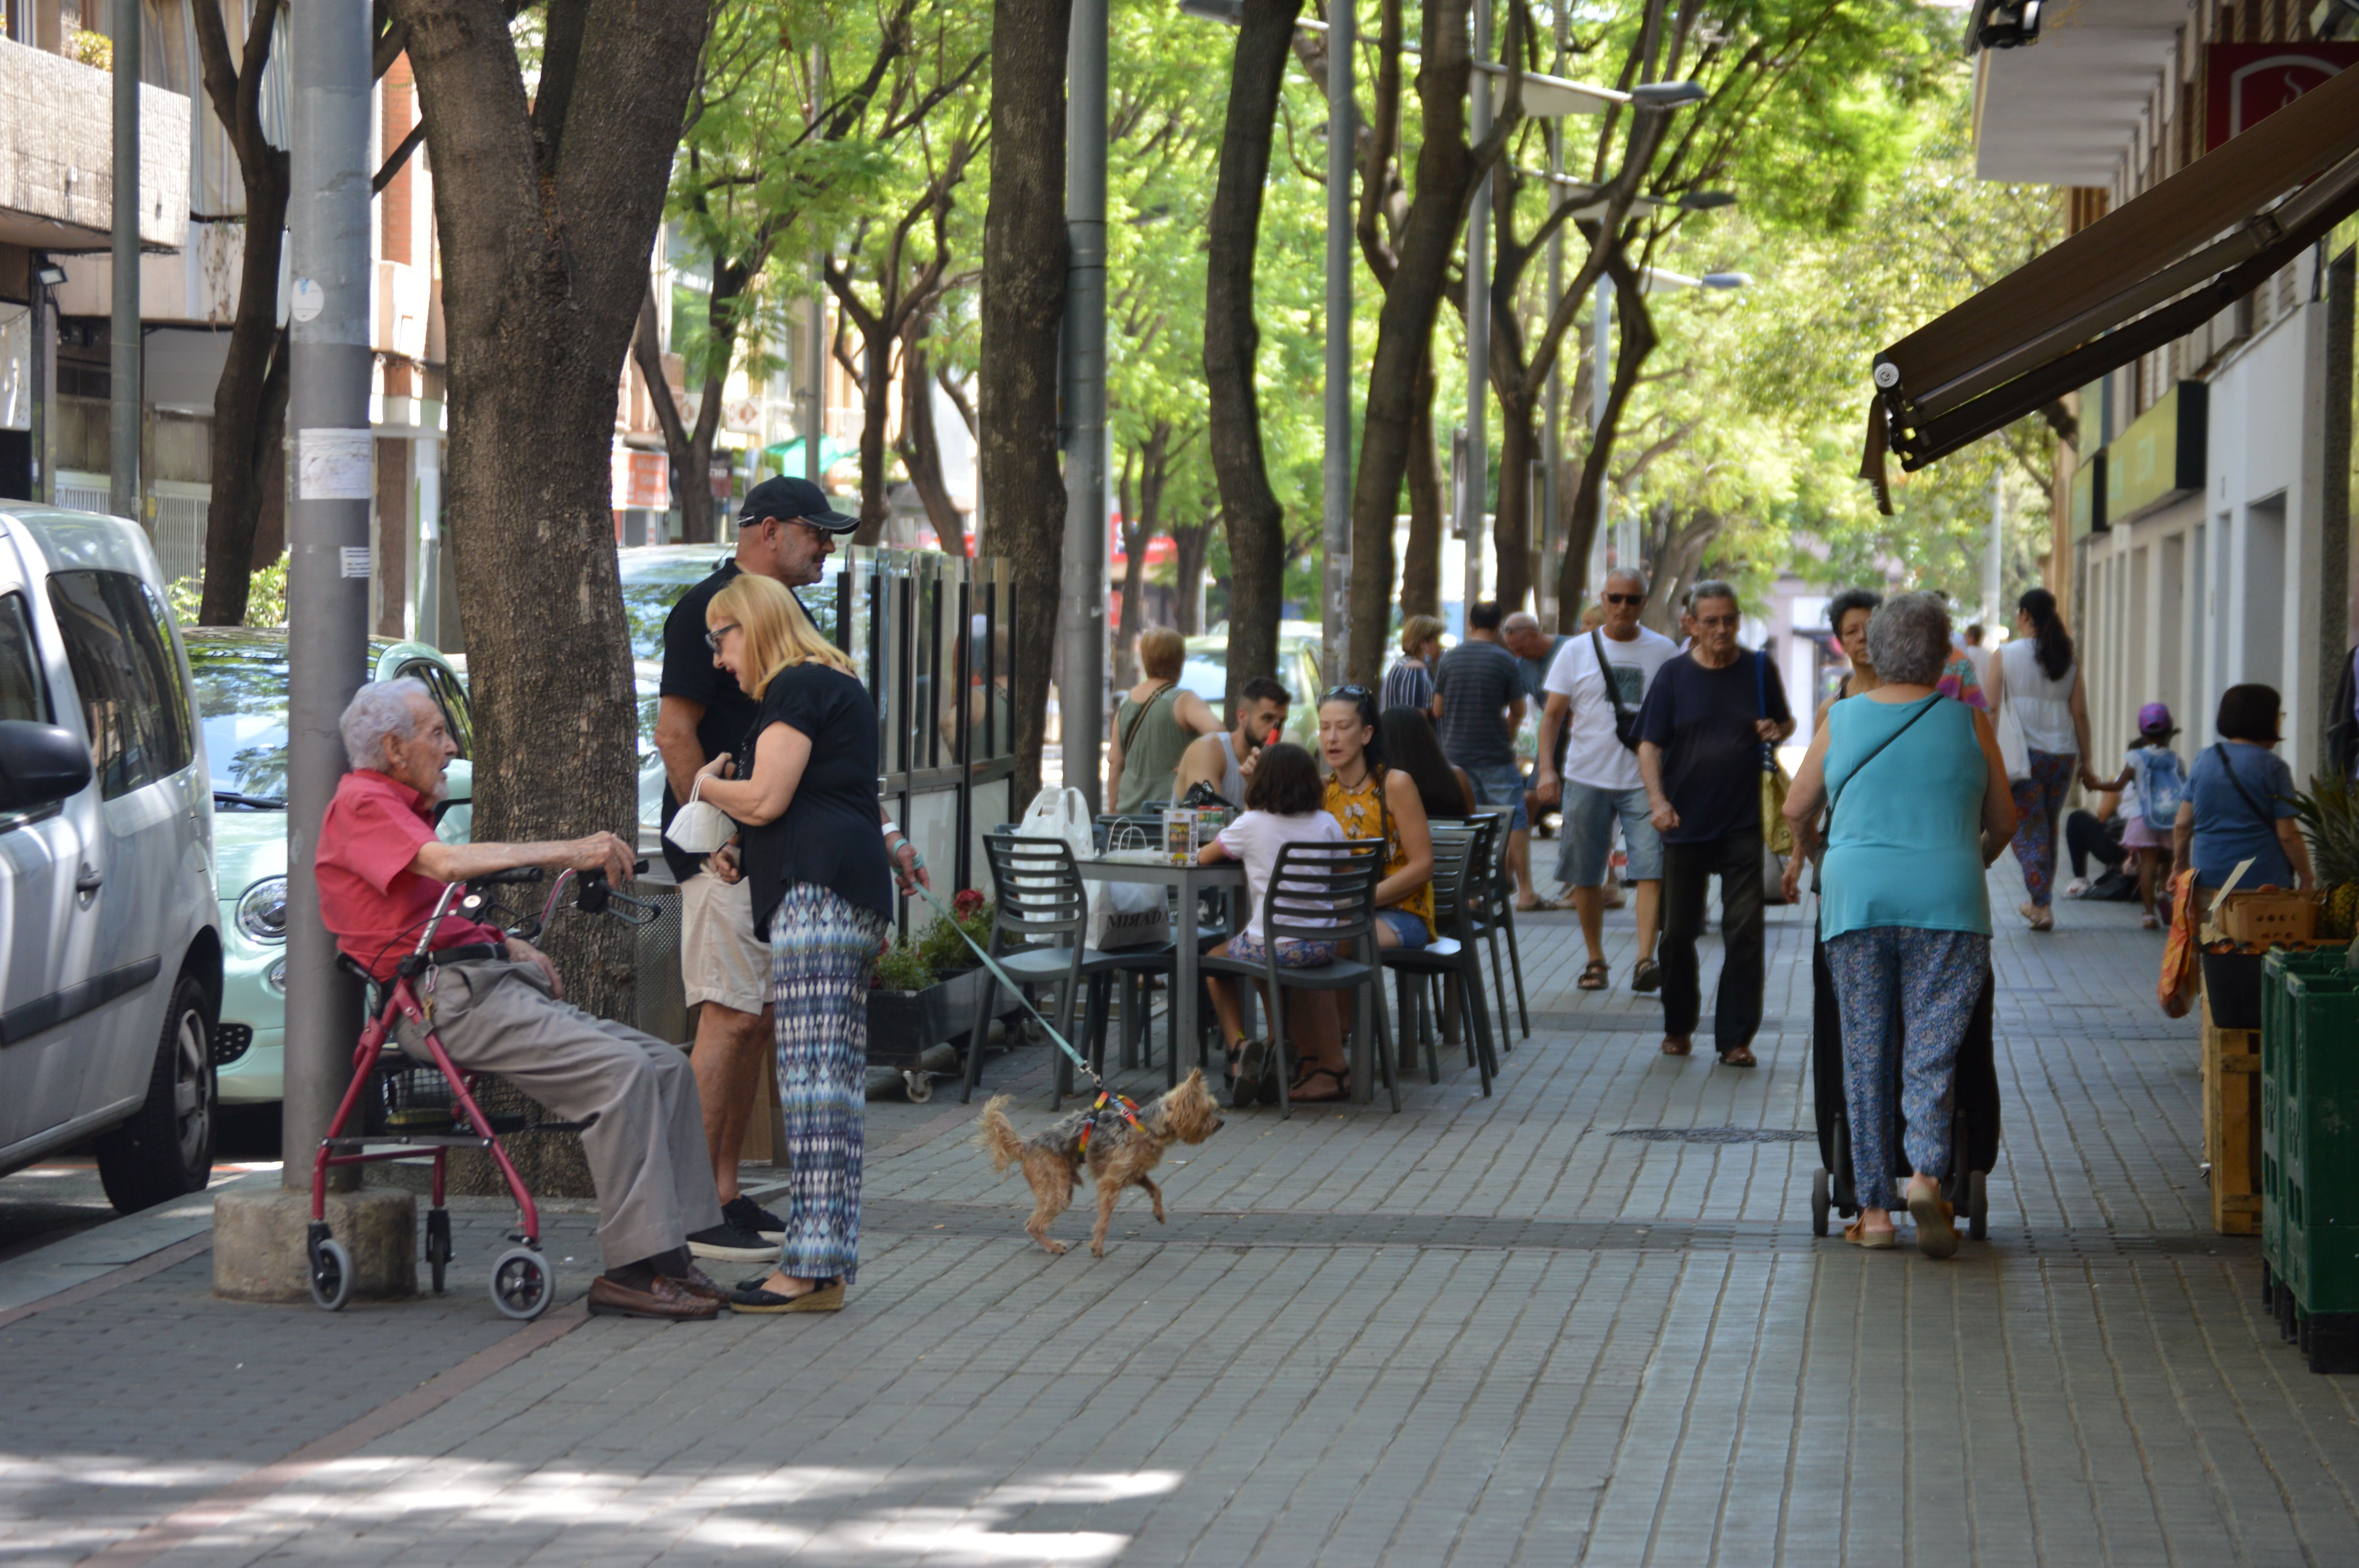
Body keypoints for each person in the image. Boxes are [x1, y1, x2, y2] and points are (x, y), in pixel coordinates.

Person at [318, 679, 727, 1321]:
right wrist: (573, 849)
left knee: (666, 1067)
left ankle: (673, 1253)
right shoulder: (364, 803)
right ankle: (630, 1270)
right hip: (443, 1003)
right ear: (394, 749)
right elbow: (447, 866)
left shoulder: (394, 803)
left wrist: (503, 943)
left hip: (476, 984)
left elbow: (423, 909)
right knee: (621, 1076)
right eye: (436, 734)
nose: (450, 747)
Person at [652, 474, 887, 1264]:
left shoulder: (786, 634)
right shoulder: (712, 609)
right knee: (728, 1014)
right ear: (769, 530)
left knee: (755, 1019)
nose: (826, 545)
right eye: (816, 531)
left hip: (768, 845)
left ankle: (721, 1190)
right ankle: (688, 1202)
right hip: (723, 849)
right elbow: (675, 731)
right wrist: (710, 827)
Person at [692, 574, 921, 1313]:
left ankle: (811, 1269)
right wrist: (744, 847)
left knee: (815, 1087)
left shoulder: (795, 686)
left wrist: (705, 790)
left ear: (753, 625)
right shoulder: (827, 683)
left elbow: (767, 796)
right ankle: (820, 1267)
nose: (720, 660)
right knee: (827, 1087)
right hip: (836, 892)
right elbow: (816, 799)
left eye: (720, 639)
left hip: (820, 898)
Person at [1779, 592, 2017, 1257]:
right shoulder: (1970, 725)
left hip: (1858, 902)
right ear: (1944, 655)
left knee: (1865, 1050)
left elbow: (1798, 806)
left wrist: (1828, 855)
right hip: (1950, 902)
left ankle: (1875, 1212)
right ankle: (1927, 1178)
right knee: (1931, 1051)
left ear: (1875, 652)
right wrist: (1967, 860)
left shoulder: (1844, 717)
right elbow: (2004, 823)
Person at [1635, 580, 1794, 1067]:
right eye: (1711, 621)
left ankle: (1734, 1038)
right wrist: (1657, 801)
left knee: (1744, 931)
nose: (1723, 629)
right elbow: (1648, 745)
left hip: (1743, 822)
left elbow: (1784, 723)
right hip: (1683, 822)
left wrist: (1776, 730)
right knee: (1679, 932)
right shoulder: (1672, 676)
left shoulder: (1758, 668)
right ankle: (1678, 1025)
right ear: (1691, 625)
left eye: (1730, 619)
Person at [1532, 567, 1679, 994]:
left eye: (1632, 600)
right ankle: (1595, 958)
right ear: (1603, 598)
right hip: (1586, 777)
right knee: (1586, 873)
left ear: (1644, 603)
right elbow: (1552, 717)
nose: (1622, 607)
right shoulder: (1576, 651)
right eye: (1615, 598)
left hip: (1644, 782)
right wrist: (1546, 770)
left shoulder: (1664, 651)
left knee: (1650, 871)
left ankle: (1644, 959)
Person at [1200, 742, 1350, 1107]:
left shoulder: (1250, 824)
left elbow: (1205, 857)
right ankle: (1287, 1050)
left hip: (1273, 947)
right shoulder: (1328, 823)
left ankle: (1239, 1047)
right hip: (1321, 945)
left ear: (1261, 782)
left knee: (1215, 961)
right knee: (1262, 960)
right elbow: (1344, 872)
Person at [1987, 588, 2103, 930]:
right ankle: (2041, 901)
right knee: (2047, 827)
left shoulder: (2006, 655)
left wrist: (1988, 755)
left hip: (2024, 756)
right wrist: (2088, 761)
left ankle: (2041, 904)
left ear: (2024, 615)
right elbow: (2079, 713)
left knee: (2027, 828)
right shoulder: (2067, 657)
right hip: (2062, 755)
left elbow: (1992, 709)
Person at [1434, 601, 1548, 909]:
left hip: (1456, 753)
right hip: (1495, 754)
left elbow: (1437, 709)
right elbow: (1519, 709)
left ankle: (1471, 893)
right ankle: (1526, 891)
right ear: (1499, 627)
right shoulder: (1505, 660)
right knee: (1514, 818)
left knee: (1467, 820)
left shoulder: (1449, 659)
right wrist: (1507, 734)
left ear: (1471, 624)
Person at [1319, 686, 1436, 967]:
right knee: (1295, 946)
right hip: (1341, 913)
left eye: (1343, 727)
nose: (1332, 738)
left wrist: (1358, 901)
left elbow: (1423, 866)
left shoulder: (1395, 784)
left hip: (1402, 914)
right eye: (1324, 728)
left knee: (1325, 947)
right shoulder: (1320, 789)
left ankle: (1355, 1015)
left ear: (1366, 734)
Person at [2173, 683, 2316, 896]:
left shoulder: (2204, 760)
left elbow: (2183, 824)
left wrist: (2180, 866)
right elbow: (2288, 835)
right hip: (2264, 884)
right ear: (2266, 720)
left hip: (2208, 879)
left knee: (2210, 928)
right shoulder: (2274, 767)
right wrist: (2306, 876)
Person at [2083, 702, 2187, 928]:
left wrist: (2095, 785)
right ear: (2169, 731)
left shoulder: (2136, 758)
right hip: (2169, 818)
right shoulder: (2176, 760)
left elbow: (2119, 784)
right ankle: (2168, 899)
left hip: (2143, 817)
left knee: (2148, 864)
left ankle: (2149, 914)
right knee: (2167, 863)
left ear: (2142, 732)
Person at [1109, 626, 1221, 813]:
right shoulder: (1185, 701)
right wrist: (1191, 760)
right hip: (1173, 818)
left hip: (1130, 818)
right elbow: (1219, 733)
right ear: (1180, 661)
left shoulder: (1126, 702)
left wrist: (1113, 812)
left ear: (1145, 659)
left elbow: (1115, 763)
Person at [1172, 677, 1290, 806]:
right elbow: (1210, 821)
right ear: (1242, 717)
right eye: (1267, 719)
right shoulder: (1208, 751)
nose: (1275, 732)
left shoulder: (1277, 763)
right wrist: (1257, 788)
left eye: (1281, 723)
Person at [1378, 705, 1477, 820]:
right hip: (1457, 838)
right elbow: (1474, 825)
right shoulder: (1457, 776)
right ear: (1427, 735)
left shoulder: (1383, 784)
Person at [1382, 615, 1446, 720]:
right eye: (1437, 640)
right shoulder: (1416, 671)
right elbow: (1417, 722)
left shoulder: (1401, 666)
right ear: (1423, 643)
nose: (1441, 646)